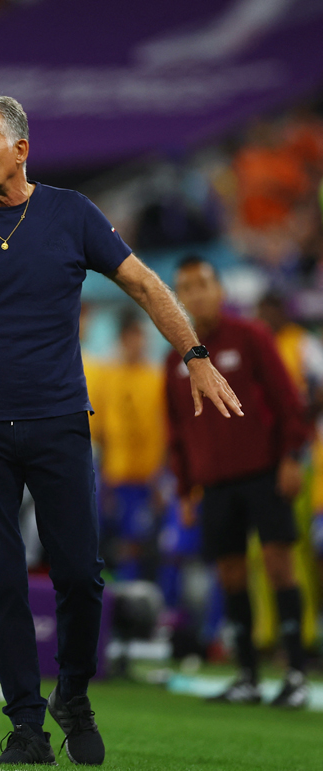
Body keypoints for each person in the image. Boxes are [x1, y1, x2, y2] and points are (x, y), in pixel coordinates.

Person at [0, 96, 241, 766]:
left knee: (79, 572)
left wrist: (194, 357)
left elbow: (143, 283)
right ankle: (25, 725)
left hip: (57, 421)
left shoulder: (72, 213)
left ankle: (72, 693)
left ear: (21, 147)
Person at [167, 257, 313, 709]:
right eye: (186, 287)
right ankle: (247, 675)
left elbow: (288, 401)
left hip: (264, 473)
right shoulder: (174, 359)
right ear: (179, 298)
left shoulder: (251, 337)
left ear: (220, 290)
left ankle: (295, 675)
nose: (197, 293)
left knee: (279, 566)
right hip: (213, 486)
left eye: (204, 283)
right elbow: (176, 431)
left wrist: (291, 457)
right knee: (229, 574)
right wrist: (186, 488)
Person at [91, 310, 166, 580]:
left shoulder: (156, 379)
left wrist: (160, 479)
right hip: (116, 476)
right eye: (133, 337)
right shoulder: (107, 378)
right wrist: (105, 480)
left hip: (147, 478)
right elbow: (100, 434)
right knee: (115, 544)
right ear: (122, 339)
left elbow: (164, 432)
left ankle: (136, 603)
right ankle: (117, 601)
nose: (139, 343)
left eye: (141, 337)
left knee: (139, 544)